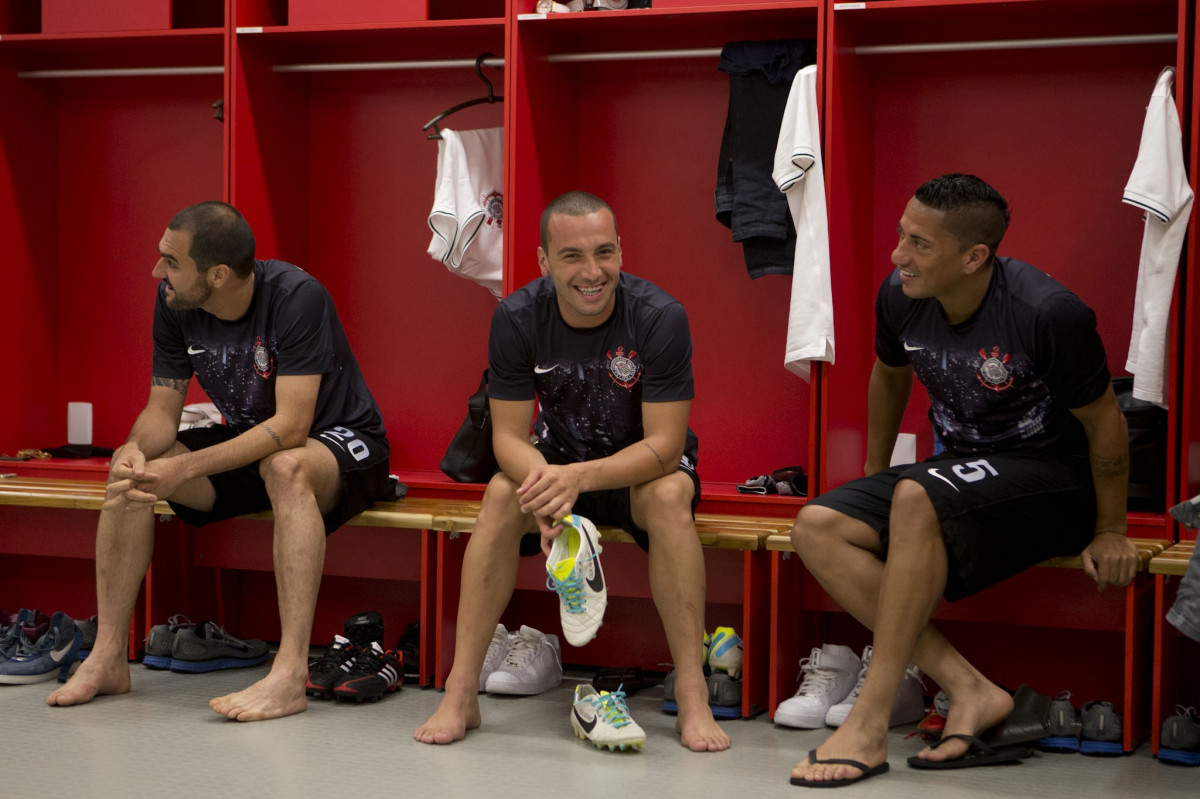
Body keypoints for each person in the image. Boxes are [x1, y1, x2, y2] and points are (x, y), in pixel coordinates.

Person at [788, 174, 1138, 786]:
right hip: (961, 470)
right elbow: (890, 374)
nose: (899, 255)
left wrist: (1111, 528)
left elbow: (1105, 420)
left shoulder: (1046, 313)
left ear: (975, 257)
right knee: (817, 526)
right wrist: (875, 473)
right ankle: (969, 688)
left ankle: (869, 725)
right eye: (902, 235)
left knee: (917, 497)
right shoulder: (901, 295)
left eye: (920, 244)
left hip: (1054, 481)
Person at [47, 201, 391, 721]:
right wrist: (136, 448)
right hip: (254, 440)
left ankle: (290, 673)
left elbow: (292, 426)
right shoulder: (174, 302)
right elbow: (163, 410)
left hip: (340, 443)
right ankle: (109, 657)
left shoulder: (297, 297)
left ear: (219, 274)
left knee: (286, 466)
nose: (157, 272)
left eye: (171, 261)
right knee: (132, 477)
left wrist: (185, 468)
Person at [414, 190, 730, 752]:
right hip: (555, 464)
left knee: (668, 499)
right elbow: (509, 437)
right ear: (542, 261)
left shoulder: (660, 317)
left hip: (638, 470)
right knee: (497, 496)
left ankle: (692, 690)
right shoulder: (516, 316)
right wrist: (543, 484)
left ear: (621, 254)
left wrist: (576, 480)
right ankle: (461, 692)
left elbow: (664, 445)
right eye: (573, 256)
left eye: (604, 253)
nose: (592, 272)